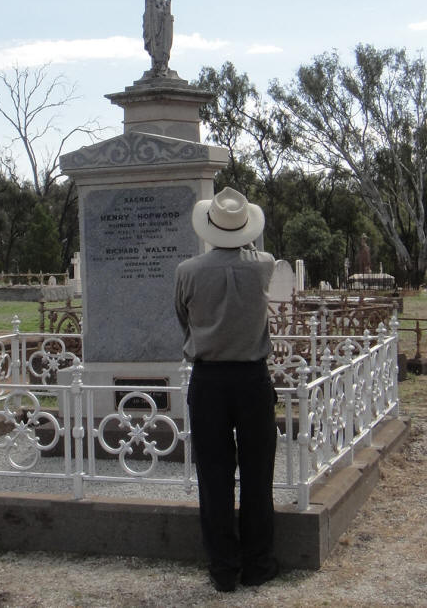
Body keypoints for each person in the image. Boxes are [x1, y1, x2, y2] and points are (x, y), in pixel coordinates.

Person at [174, 186, 278, 592]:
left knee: (214, 478)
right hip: (252, 378)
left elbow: (182, 317)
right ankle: (258, 563)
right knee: (258, 475)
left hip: (209, 379)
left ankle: (222, 569)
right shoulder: (263, 266)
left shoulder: (188, 271)